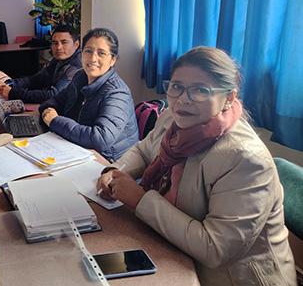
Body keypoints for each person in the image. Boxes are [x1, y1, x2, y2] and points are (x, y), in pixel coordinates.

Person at [97, 46, 296, 286]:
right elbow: (143, 150)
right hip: (172, 249)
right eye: (177, 87)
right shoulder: (172, 117)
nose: (183, 99)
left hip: (230, 277)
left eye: (200, 90)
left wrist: (140, 199)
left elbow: (215, 249)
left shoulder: (245, 160)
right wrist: (114, 172)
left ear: (229, 98)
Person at [39, 28, 138, 161]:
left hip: (110, 163)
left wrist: (55, 121)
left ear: (113, 60)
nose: (93, 58)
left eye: (101, 53)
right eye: (88, 51)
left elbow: (100, 139)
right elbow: (56, 100)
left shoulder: (118, 93)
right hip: (79, 150)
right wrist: (47, 109)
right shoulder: (81, 76)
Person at [0, 24, 82, 103]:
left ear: (76, 44)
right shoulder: (58, 60)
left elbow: (53, 95)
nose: (59, 47)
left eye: (64, 42)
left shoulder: (77, 67)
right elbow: (34, 80)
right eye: (55, 43)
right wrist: (10, 84)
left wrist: (12, 93)